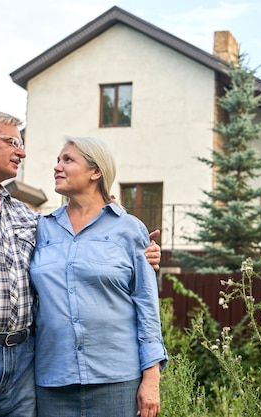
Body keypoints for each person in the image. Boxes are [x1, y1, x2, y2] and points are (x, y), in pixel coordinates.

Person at [0, 111, 161, 417]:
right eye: (13, 142)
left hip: (24, 363)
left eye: (67, 160)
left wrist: (142, 251)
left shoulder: (27, 217)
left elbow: (126, 286)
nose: (22, 151)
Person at [29, 136, 168, 417]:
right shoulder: (41, 229)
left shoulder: (129, 230)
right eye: (57, 160)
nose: (57, 167)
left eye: (68, 160)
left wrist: (151, 380)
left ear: (96, 171)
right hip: (52, 381)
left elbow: (147, 307)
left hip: (117, 380)